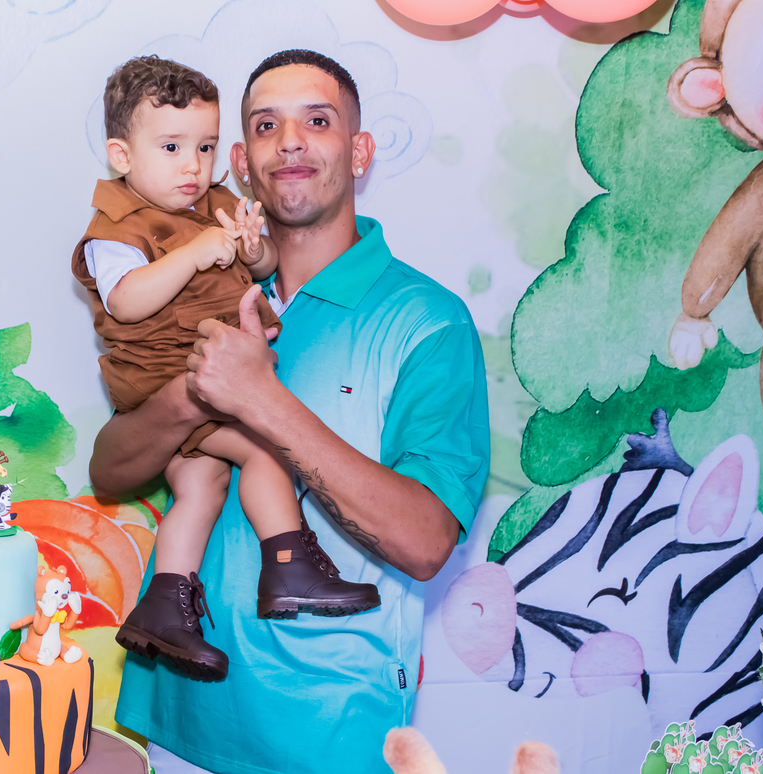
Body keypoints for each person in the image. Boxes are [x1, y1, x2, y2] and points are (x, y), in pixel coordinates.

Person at [97, 50, 491, 774]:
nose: (290, 143)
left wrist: (263, 399)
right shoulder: (194, 288)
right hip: (176, 712)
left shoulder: (428, 322)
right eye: (266, 126)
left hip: (324, 733)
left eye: (317, 121)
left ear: (360, 151)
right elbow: (110, 471)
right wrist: (190, 395)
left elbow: (426, 542)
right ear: (240, 163)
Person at [73, 56, 380, 683]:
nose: (193, 165)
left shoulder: (215, 204)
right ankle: (288, 565)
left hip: (209, 365)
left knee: (202, 485)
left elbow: (258, 266)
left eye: (206, 147)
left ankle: (166, 603)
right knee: (266, 451)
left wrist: (252, 245)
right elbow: (125, 300)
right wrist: (193, 254)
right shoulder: (115, 227)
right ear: (122, 155)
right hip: (164, 372)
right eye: (171, 148)